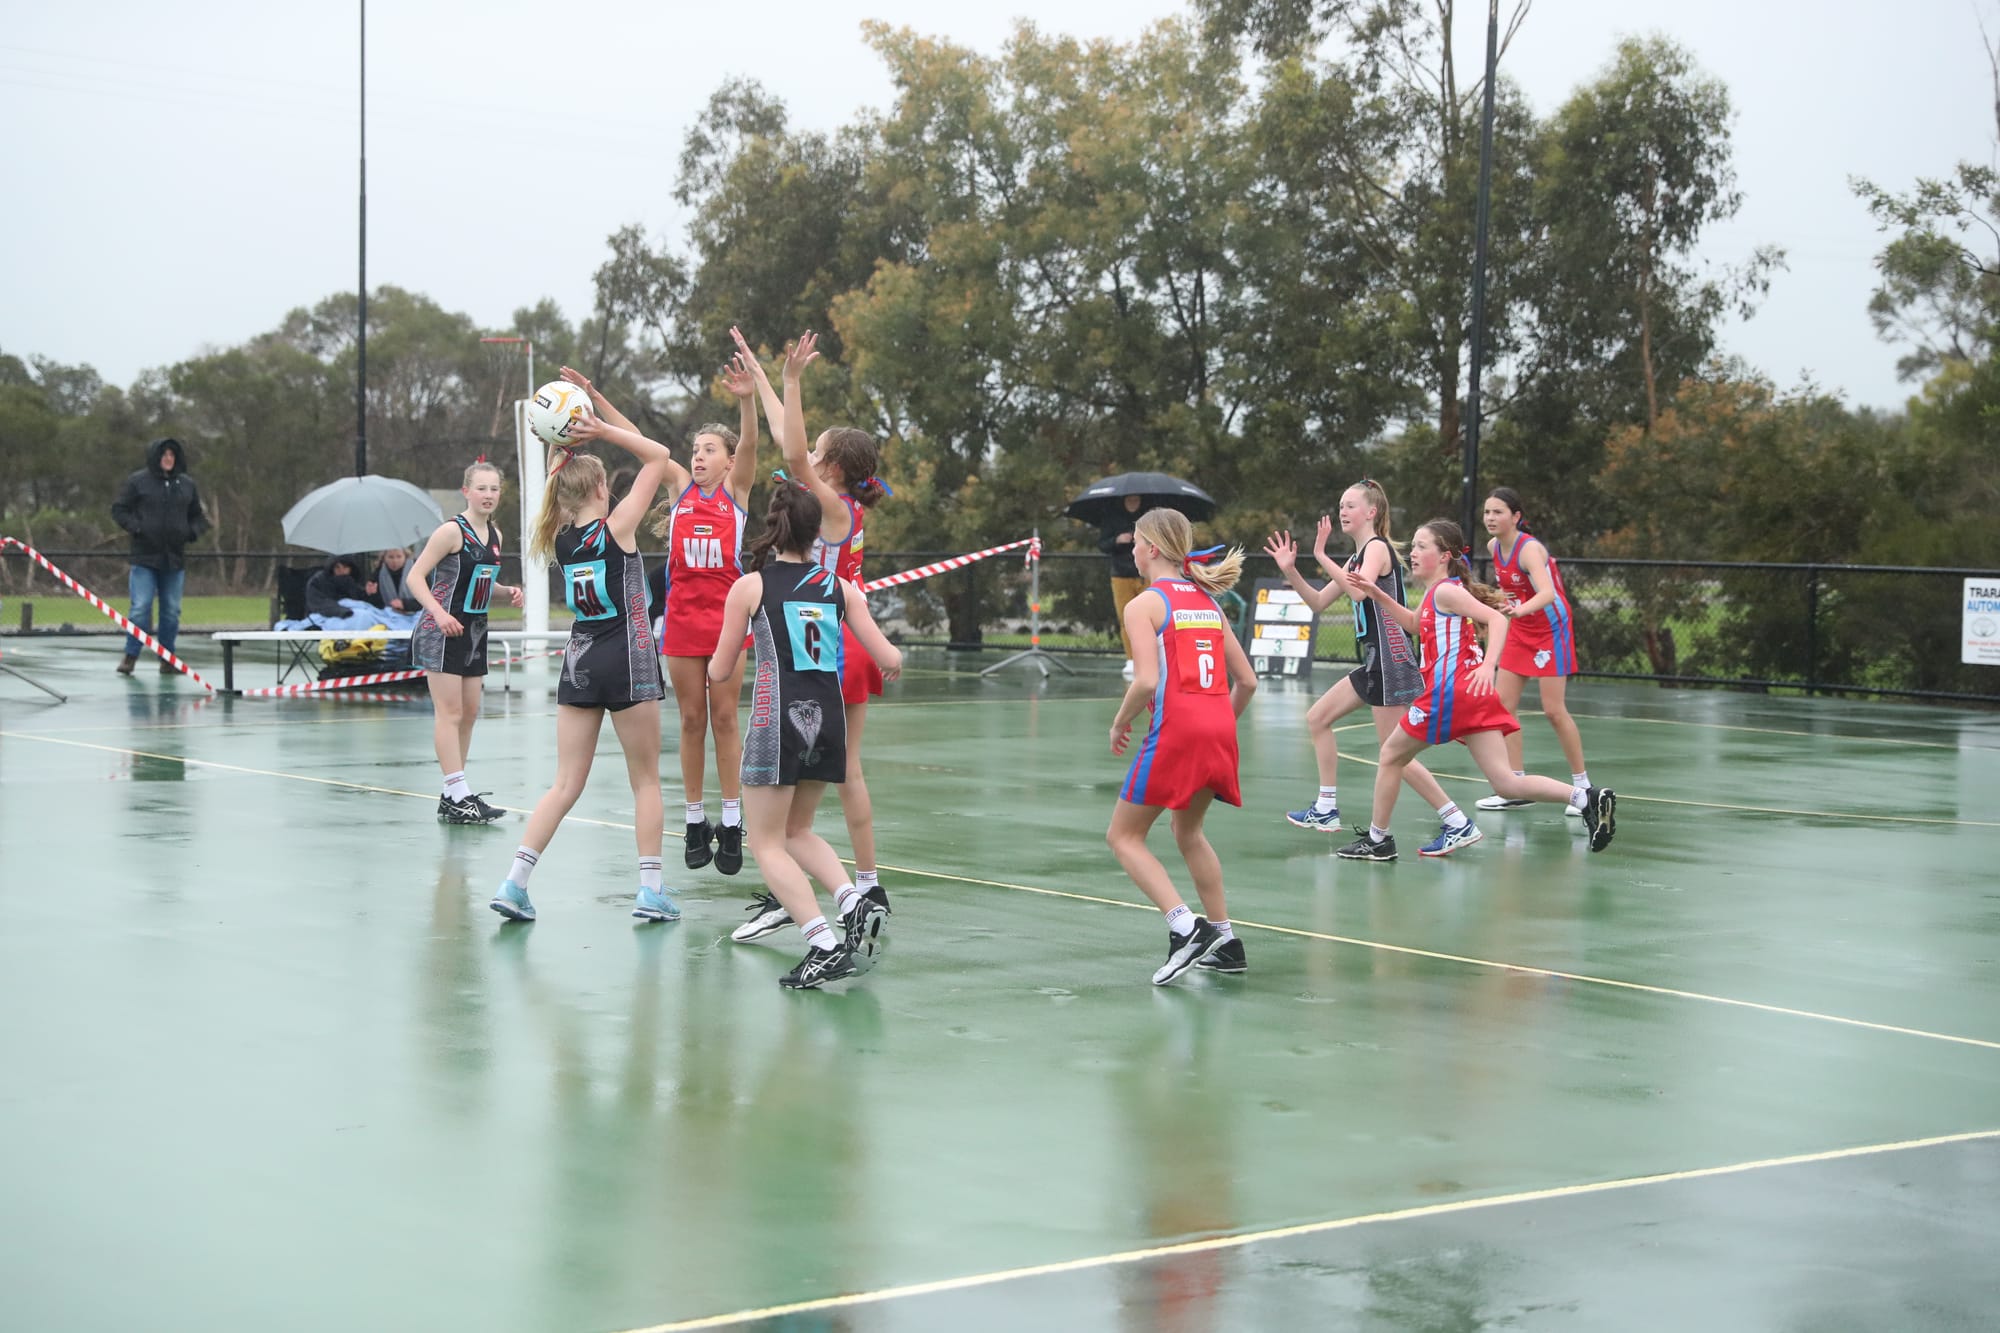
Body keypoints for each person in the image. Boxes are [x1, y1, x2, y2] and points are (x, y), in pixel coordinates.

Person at [561, 360, 760, 878]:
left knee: (724, 719)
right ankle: (695, 820)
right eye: (695, 450)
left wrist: (745, 398)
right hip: (681, 624)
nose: (697, 457)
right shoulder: (680, 490)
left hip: (727, 625)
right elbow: (638, 440)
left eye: (709, 450)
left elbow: (754, 445)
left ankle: (732, 821)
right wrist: (594, 396)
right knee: (691, 722)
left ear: (729, 460)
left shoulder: (735, 492)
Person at [728, 327, 894, 943]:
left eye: (817, 448)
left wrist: (792, 380)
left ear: (831, 465)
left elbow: (791, 451)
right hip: (835, 631)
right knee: (829, 773)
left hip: (822, 640)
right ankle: (839, 883)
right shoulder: (835, 501)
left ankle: (860, 885)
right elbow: (786, 436)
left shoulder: (829, 503)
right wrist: (763, 375)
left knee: (829, 773)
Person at [707, 480, 904, 988]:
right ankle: (852, 903)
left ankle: (822, 942)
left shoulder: (751, 587)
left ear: (774, 529)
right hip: (829, 718)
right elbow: (891, 659)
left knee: (768, 843)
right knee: (798, 831)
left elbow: (721, 669)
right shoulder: (839, 588)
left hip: (778, 722)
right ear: (818, 533)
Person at [490, 413, 679, 925]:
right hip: (629, 659)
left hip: (580, 661)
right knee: (645, 781)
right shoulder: (615, 528)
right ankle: (651, 890)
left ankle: (516, 882)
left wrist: (557, 450)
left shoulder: (559, 538)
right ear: (600, 486)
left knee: (565, 782)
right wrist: (602, 431)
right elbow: (659, 457)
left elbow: (559, 484)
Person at [1334, 519, 1616, 861]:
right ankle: (1586, 798)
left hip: (1450, 693)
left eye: (1423, 546)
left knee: (1391, 755)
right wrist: (1378, 593)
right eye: (1414, 545)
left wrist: (1488, 666)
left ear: (1444, 556)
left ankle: (1380, 840)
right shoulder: (1439, 592)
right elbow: (1412, 624)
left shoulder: (1446, 592)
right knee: (1505, 783)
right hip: (1472, 696)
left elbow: (1499, 620)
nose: (1414, 552)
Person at [1264, 481, 1482, 857]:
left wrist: (1319, 553)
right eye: (1340, 505)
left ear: (1372, 512)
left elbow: (1358, 591)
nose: (1342, 511)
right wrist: (1292, 570)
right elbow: (1317, 602)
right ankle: (1327, 809)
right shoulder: (1356, 558)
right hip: (1372, 662)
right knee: (1318, 718)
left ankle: (1456, 821)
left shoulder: (1377, 549)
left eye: (1350, 505)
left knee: (1394, 755)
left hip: (1389, 660)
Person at [1108, 508, 1258, 984]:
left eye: (1134, 542)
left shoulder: (1145, 604)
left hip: (1177, 731)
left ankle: (1185, 927)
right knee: (1187, 833)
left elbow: (1147, 680)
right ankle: (1226, 940)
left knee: (1123, 837)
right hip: (1219, 731)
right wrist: (1215, 725)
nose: (1130, 550)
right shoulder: (1208, 603)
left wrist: (1119, 722)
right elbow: (1248, 682)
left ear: (1151, 548)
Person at [409, 460, 524, 825]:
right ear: (466, 492)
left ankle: (451, 796)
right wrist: (439, 614)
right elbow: (415, 577)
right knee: (451, 713)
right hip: (441, 631)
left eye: (494, 489)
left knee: (470, 713)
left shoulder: (495, 536)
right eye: (482, 488)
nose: (488, 495)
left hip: (474, 631)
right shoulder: (450, 532)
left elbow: (483, 584)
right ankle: (459, 792)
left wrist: (509, 592)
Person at [1476, 487, 1592, 819]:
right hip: (1522, 627)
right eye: (1487, 512)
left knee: (1554, 711)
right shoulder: (1493, 547)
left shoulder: (1530, 550)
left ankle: (1583, 786)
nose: (1490, 518)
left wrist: (1518, 610)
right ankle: (1515, 786)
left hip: (1550, 629)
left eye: (1498, 512)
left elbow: (1548, 593)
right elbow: (1511, 591)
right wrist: (1500, 603)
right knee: (1501, 708)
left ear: (1516, 517)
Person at [109, 437, 209, 675]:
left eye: (172, 455)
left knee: (171, 610)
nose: (168, 459)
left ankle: (167, 658)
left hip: (174, 560)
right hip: (144, 558)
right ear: (156, 456)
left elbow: (198, 517)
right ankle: (130, 656)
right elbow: (119, 510)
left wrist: (190, 533)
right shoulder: (137, 482)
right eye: (164, 454)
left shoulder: (186, 485)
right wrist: (137, 528)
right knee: (140, 608)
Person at [1097, 493, 1147, 681]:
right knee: (1125, 617)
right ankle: (1131, 659)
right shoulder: (1112, 517)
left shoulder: (1148, 517)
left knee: (1149, 618)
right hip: (1120, 573)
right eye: (1130, 498)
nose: (1134, 501)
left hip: (1145, 574)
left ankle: (1152, 657)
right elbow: (1103, 544)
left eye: (1137, 498)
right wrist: (1117, 540)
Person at [305, 553, 374, 621]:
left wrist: (367, 593)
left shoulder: (350, 581)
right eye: (337, 567)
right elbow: (318, 602)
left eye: (345, 567)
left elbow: (360, 599)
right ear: (332, 567)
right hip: (322, 622)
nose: (341, 570)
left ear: (351, 569)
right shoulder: (318, 580)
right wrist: (341, 611)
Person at [373, 546, 414, 612]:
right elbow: (377, 604)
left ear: (405, 557)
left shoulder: (416, 571)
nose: (395, 561)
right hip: (389, 615)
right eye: (390, 557)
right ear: (384, 558)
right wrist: (371, 593)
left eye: (399, 556)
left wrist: (405, 604)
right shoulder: (379, 573)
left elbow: (426, 600)